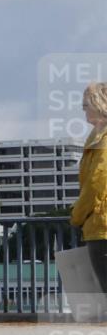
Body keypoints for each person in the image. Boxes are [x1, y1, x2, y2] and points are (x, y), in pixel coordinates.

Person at [71, 82, 107, 296]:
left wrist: (77, 215)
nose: (83, 108)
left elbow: (96, 183)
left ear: (99, 105)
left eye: (86, 104)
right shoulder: (97, 136)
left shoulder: (103, 140)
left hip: (102, 226)